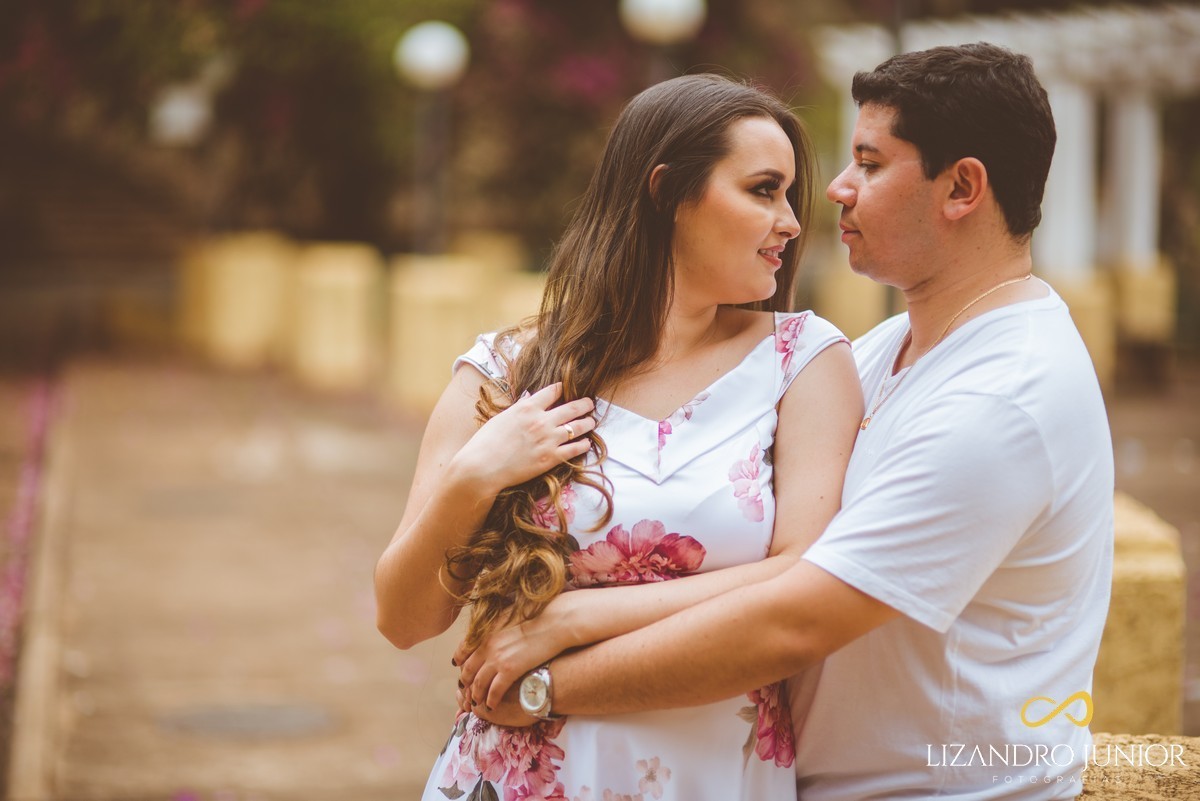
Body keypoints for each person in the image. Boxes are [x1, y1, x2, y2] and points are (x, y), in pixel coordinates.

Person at [458, 43, 1114, 799]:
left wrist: (545, 682)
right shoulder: (879, 354)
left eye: (869, 163)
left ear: (962, 187)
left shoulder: (1005, 396)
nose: (836, 189)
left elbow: (794, 621)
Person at [373, 73, 863, 800]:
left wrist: (572, 616)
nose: (791, 222)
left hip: (715, 773)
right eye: (763, 190)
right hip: (522, 777)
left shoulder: (804, 360)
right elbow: (404, 618)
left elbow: (804, 573)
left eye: (788, 194)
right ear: (666, 192)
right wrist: (475, 475)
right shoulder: (509, 369)